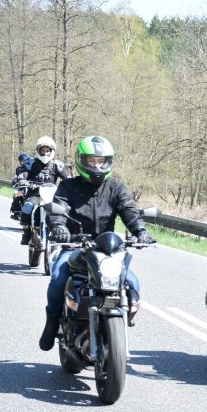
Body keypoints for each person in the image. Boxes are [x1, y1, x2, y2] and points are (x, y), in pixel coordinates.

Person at [38, 135, 154, 351]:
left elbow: (129, 210)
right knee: (58, 278)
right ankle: (52, 324)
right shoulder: (68, 186)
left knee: (132, 281)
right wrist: (60, 228)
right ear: (81, 160)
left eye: (101, 161)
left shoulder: (116, 186)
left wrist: (140, 231)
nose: (96, 166)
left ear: (109, 162)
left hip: (106, 250)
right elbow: (58, 209)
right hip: (75, 246)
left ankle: (120, 321)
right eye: (91, 161)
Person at [18, 136, 70, 246]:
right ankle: (26, 232)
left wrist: (68, 186)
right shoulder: (31, 163)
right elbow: (24, 175)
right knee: (27, 207)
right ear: (39, 151)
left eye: (48, 151)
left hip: (51, 195)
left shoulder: (57, 165)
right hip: (35, 194)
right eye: (43, 150)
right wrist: (22, 180)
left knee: (64, 210)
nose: (45, 153)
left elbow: (68, 179)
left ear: (52, 151)